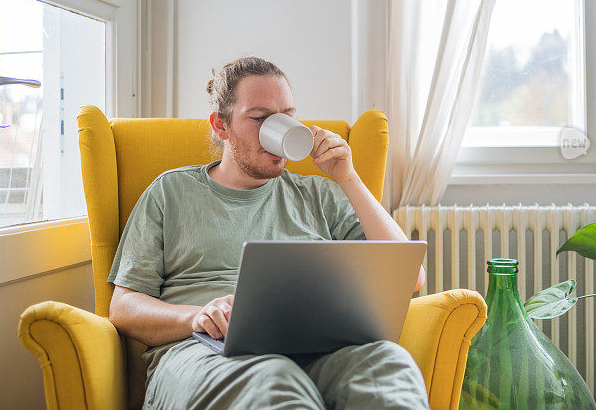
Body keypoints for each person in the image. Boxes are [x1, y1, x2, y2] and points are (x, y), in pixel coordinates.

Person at [106, 56, 429, 409]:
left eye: (287, 116)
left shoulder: (319, 195)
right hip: (206, 351)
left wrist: (347, 178)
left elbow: (410, 277)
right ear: (221, 126)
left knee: (389, 366)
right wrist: (195, 315)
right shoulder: (170, 193)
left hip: (321, 350)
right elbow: (123, 308)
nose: (280, 130)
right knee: (273, 381)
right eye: (260, 118)